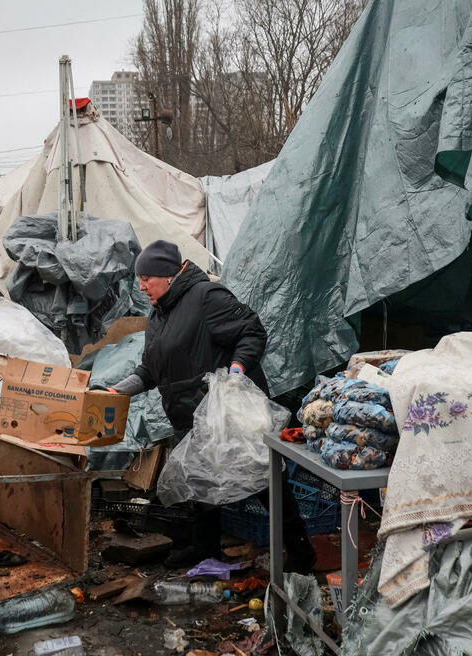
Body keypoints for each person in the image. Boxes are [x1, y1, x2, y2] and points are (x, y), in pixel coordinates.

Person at [108, 240, 316, 571]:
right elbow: (151, 368)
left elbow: (252, 332)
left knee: (263, 480)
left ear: (167, 274)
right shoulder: (159, 315)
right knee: (200, 485)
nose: (142, 286)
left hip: (226, 414)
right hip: (187, 417)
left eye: (147, 277)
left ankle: (301, 551)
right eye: (140, 279)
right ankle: (205, 549)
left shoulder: (207, 297)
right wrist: (118, 391)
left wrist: (236, 371)